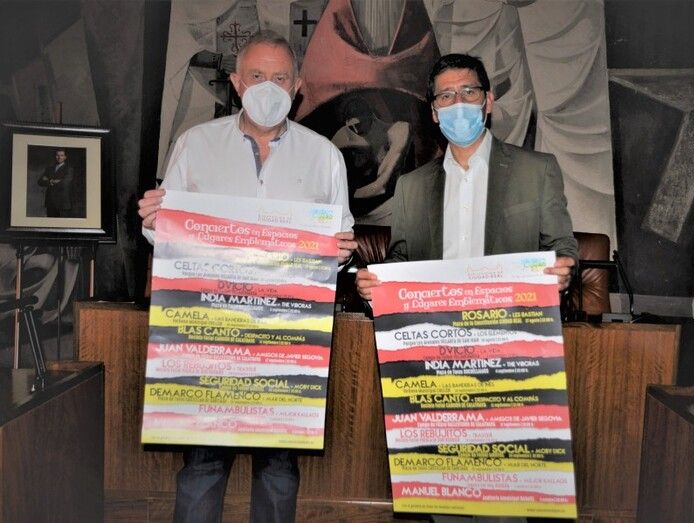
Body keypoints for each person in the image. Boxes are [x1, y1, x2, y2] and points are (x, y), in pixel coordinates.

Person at [137, 31, 357, 523]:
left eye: (280, 77)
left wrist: (341, 252)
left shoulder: (324, 156)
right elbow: (169, 237)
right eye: (257, 76)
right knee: (202, 466)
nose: (268, 87)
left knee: (278, 471)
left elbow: (337, 243)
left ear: (297, 86)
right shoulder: (196, 144)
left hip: (286, 338)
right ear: (237, 83)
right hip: (209, 334)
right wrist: (154, 223)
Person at [355, 54, 577, 523]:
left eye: (469, 92)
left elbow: (561, 247)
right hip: (438, 358)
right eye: (446, 96)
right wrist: (377, 283)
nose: (459, 103)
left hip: (509, 354)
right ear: (435, 112)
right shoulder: (412, 186)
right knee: (446, 491)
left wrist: (563, 269)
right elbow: (401, 261)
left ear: (488, 100)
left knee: (506, 494)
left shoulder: (536, 170)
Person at [37, 149, 76, 217]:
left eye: (62, 155)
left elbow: (64, 183)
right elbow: (40, 181)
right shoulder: (49, 169)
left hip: (62, 203)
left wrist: (48, 180)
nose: (59, 157)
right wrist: (51, 181)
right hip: (50, 202)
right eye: (57, 155)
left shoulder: (69, 169)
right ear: (55, 156)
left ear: (65, 157)